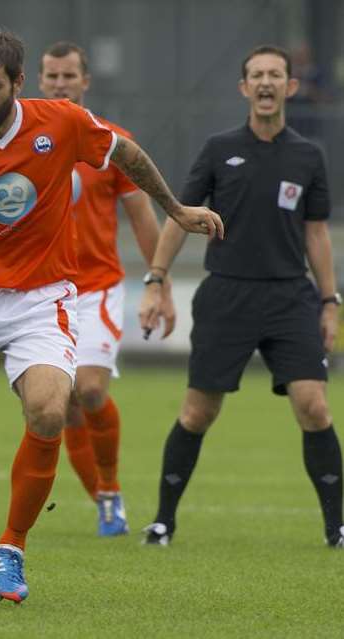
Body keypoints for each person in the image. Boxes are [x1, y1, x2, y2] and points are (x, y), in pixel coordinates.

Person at [0, 28, 222, 603]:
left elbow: (127, 156)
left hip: (43, 299)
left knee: (48, 409)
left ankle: (11, 548)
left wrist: (178, 209)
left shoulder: (61, 122)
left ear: (18, 83)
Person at [139, 45, 341, 548]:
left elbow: (316, 233)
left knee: (314, 406)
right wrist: (156, 279)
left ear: (290, 87)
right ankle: (163, 522)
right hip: (226, 295)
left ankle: (336, 528)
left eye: (276, 74)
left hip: (290, 297)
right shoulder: (218, 148)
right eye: (257, 75)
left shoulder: (308, 155)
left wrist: (329, 301)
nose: (267, 82)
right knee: (198, 412)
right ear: (244, 88)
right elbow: (180, 215)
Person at [36, 41, 175, 536]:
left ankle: (111, 488)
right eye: (51, 76)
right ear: (39, 80)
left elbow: (141, 215)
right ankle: (102, 500)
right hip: (43, 290)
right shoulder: (26, 141)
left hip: (96, 288)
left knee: (91, 388)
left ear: (85, 82)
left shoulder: (111, 142)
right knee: (63, 402)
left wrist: (160, 284)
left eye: (68, 76)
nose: (59, 84)